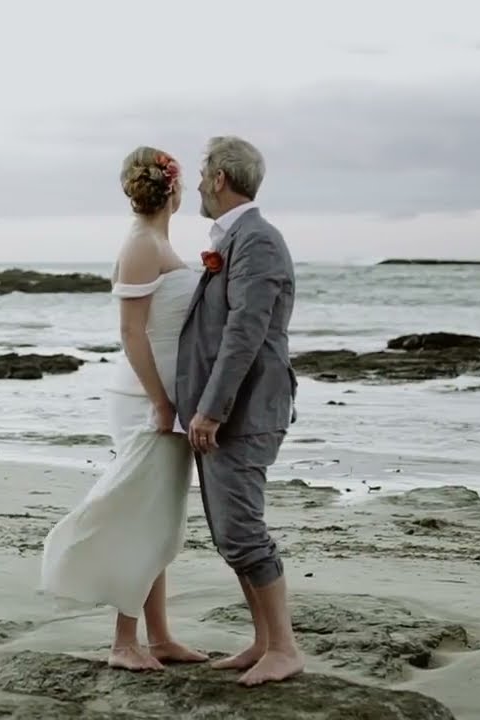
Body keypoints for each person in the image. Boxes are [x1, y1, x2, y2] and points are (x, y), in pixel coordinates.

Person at [39, 146, 208, 671]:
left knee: (159, 523)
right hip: (144, 400)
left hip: (166, 398)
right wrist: (160, 401)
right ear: (172, 189)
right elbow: (130, 332)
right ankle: (123, 643)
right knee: (141, 518)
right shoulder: (140, 244)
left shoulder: (157, 241)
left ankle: (159, 637)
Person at [175, 135, 304, 686]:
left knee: (244, 532)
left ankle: (286, 649)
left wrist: (211, 410)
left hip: (245, 411)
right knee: (231, 534)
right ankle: (263, 641)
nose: (200, 185)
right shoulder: (238, 238)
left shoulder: (258, 241)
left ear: (221, 178)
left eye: (204, 173)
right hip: (228, 411)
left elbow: (244, 333)